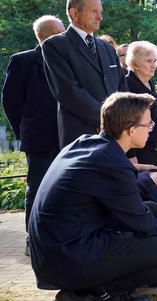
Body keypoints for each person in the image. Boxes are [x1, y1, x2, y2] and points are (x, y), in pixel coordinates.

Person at [29, 92, 157, 301]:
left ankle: (91, 290)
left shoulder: (85, 144)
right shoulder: (112, 163)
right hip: (68, 258)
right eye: (148, 125)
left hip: (53, 253)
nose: (152, 129)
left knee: (154, 213)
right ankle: (91, 293)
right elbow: (140, 221)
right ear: (131, 130)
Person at [1, 15, 64, 256]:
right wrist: (24, 132)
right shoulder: (23, 61)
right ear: (45, 36)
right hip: (39, 138)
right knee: (37, 187)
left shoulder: (69, 60)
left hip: (68, 136)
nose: (64, 37)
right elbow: (10, 102)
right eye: (59, 33)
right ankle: (33, 238)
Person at [42, 0, 128, 148]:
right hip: (80, 135)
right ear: (74, 13)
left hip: (116, 134)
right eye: (94, 11)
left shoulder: (107, 48)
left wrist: (123, 119)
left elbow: (121, 86)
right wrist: (105, 119)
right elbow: (68, 91)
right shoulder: (55, 46)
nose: (100, 17)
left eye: (100, 12)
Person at [125, 41, 157, 171]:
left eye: (155, 61)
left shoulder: (150, 83)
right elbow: (125, 122)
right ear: (135, 63)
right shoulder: (127, 85)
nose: (153, 65)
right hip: (139, 152)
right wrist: (130, 155)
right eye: (149, 61)